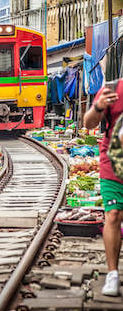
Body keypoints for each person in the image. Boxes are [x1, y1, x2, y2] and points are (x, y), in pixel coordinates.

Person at [84, 81, 123, 296]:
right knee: (114, 215)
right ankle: (112, 274)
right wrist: (99, 106)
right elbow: (88, 123)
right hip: (113, 164)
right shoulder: (113, 88)